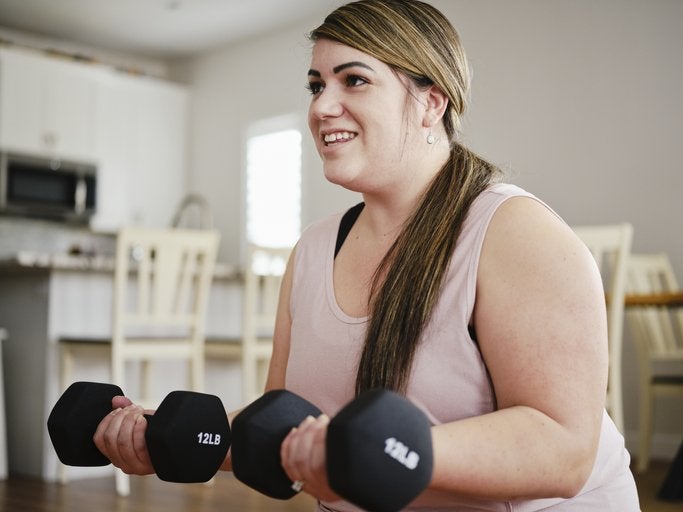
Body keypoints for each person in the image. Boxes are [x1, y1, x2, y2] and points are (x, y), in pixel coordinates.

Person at [94, 1, 640, 510]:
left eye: (354, 80)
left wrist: (379, 451)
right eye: (316, 85)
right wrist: (169, 434)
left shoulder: (515, 233)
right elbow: (283, 429)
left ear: (432, 101)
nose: (322, 107)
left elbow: (563, 448)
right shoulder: (312, 250)